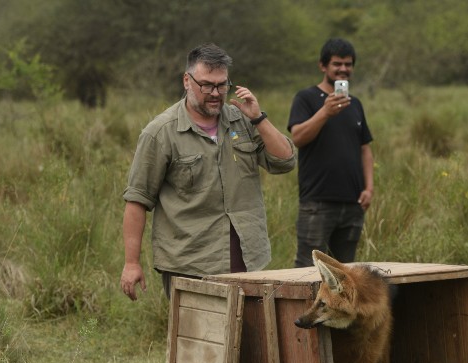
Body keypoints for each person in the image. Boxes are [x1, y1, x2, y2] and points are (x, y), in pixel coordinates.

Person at [120, 43, 295, 300]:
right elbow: (137, 200)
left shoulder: (242, 120)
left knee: (248, 338)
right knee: (199, 339)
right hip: (191, 263)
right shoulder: (160, 132)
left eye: (222, 85)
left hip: (247, 258)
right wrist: (131, 263)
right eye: (206, 85)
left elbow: (285, 162)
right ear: (186, 81)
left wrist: (258, 118)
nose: (215, 93)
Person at [287, 38, 374, 267]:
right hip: (317, 203)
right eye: (337, 64)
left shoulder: (355, 104)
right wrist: (325, 112)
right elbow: (298, 137)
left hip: (353, 203)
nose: (343, 69)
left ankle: (339, 306)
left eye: (348, 64)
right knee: (307, 270)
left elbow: (364, 148)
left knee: (344, 275)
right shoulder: (305, 98)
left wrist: (369, 187)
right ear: (323, 66)